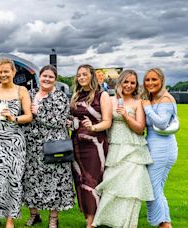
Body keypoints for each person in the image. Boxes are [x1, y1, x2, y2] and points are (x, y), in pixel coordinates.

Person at [92, 70, 154, 227]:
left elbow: (140, 128)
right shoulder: (110, 100)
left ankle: (127, 223)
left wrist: (126, 115)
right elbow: (103, 121)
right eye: (126, 82)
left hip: (134, 149)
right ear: (120, 82)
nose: (129, 85)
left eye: (132, 83)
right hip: (115, 147)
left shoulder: (137, 102)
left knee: (131, 186)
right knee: (112, 183)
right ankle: (105, 219)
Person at [22, 65, 75, 228]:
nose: (47, 79)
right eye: (44, 75)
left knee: (54, 182)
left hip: (54, 145)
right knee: (31, 180)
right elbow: (24, 115)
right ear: (39, 76)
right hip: (32, 146)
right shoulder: (30, 94)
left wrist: (39, 112)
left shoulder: (60, 97)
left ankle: (53, 218)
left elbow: (60, 121)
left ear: (55, 79)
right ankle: (34, 215)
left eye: (51, 77)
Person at [0, 58, 33, 228]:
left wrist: (15, 118)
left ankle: (10, 220)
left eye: (6, 71)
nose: (3, 74)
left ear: (13, 72)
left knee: (13, 180)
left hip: (16, 142)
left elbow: (29, 116)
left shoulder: (22, 90)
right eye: (0, 71)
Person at [70, 64, 112, 228]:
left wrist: (93, 127)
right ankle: (89, 217)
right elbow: (74, 118)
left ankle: (92, 222)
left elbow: (107, 121)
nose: (81, 77)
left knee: (92, 181)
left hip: (95, 145)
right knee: (80, 181)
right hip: (77, 144)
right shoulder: (75, 96)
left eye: (84, 74)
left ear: (92, 76)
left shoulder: (102, 95)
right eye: (79, 75)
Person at [141, 68, 178, 228]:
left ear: (162, 80)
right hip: (153, 147)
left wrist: (148, 107)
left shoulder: (165, 99)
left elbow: (162, 123)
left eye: (154, 79)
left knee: (152, 187)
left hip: (163, 149)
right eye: (147, 80)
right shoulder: (152, 98)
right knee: (156, 187)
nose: (150, 83)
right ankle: (164, 222)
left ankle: (164, 224)